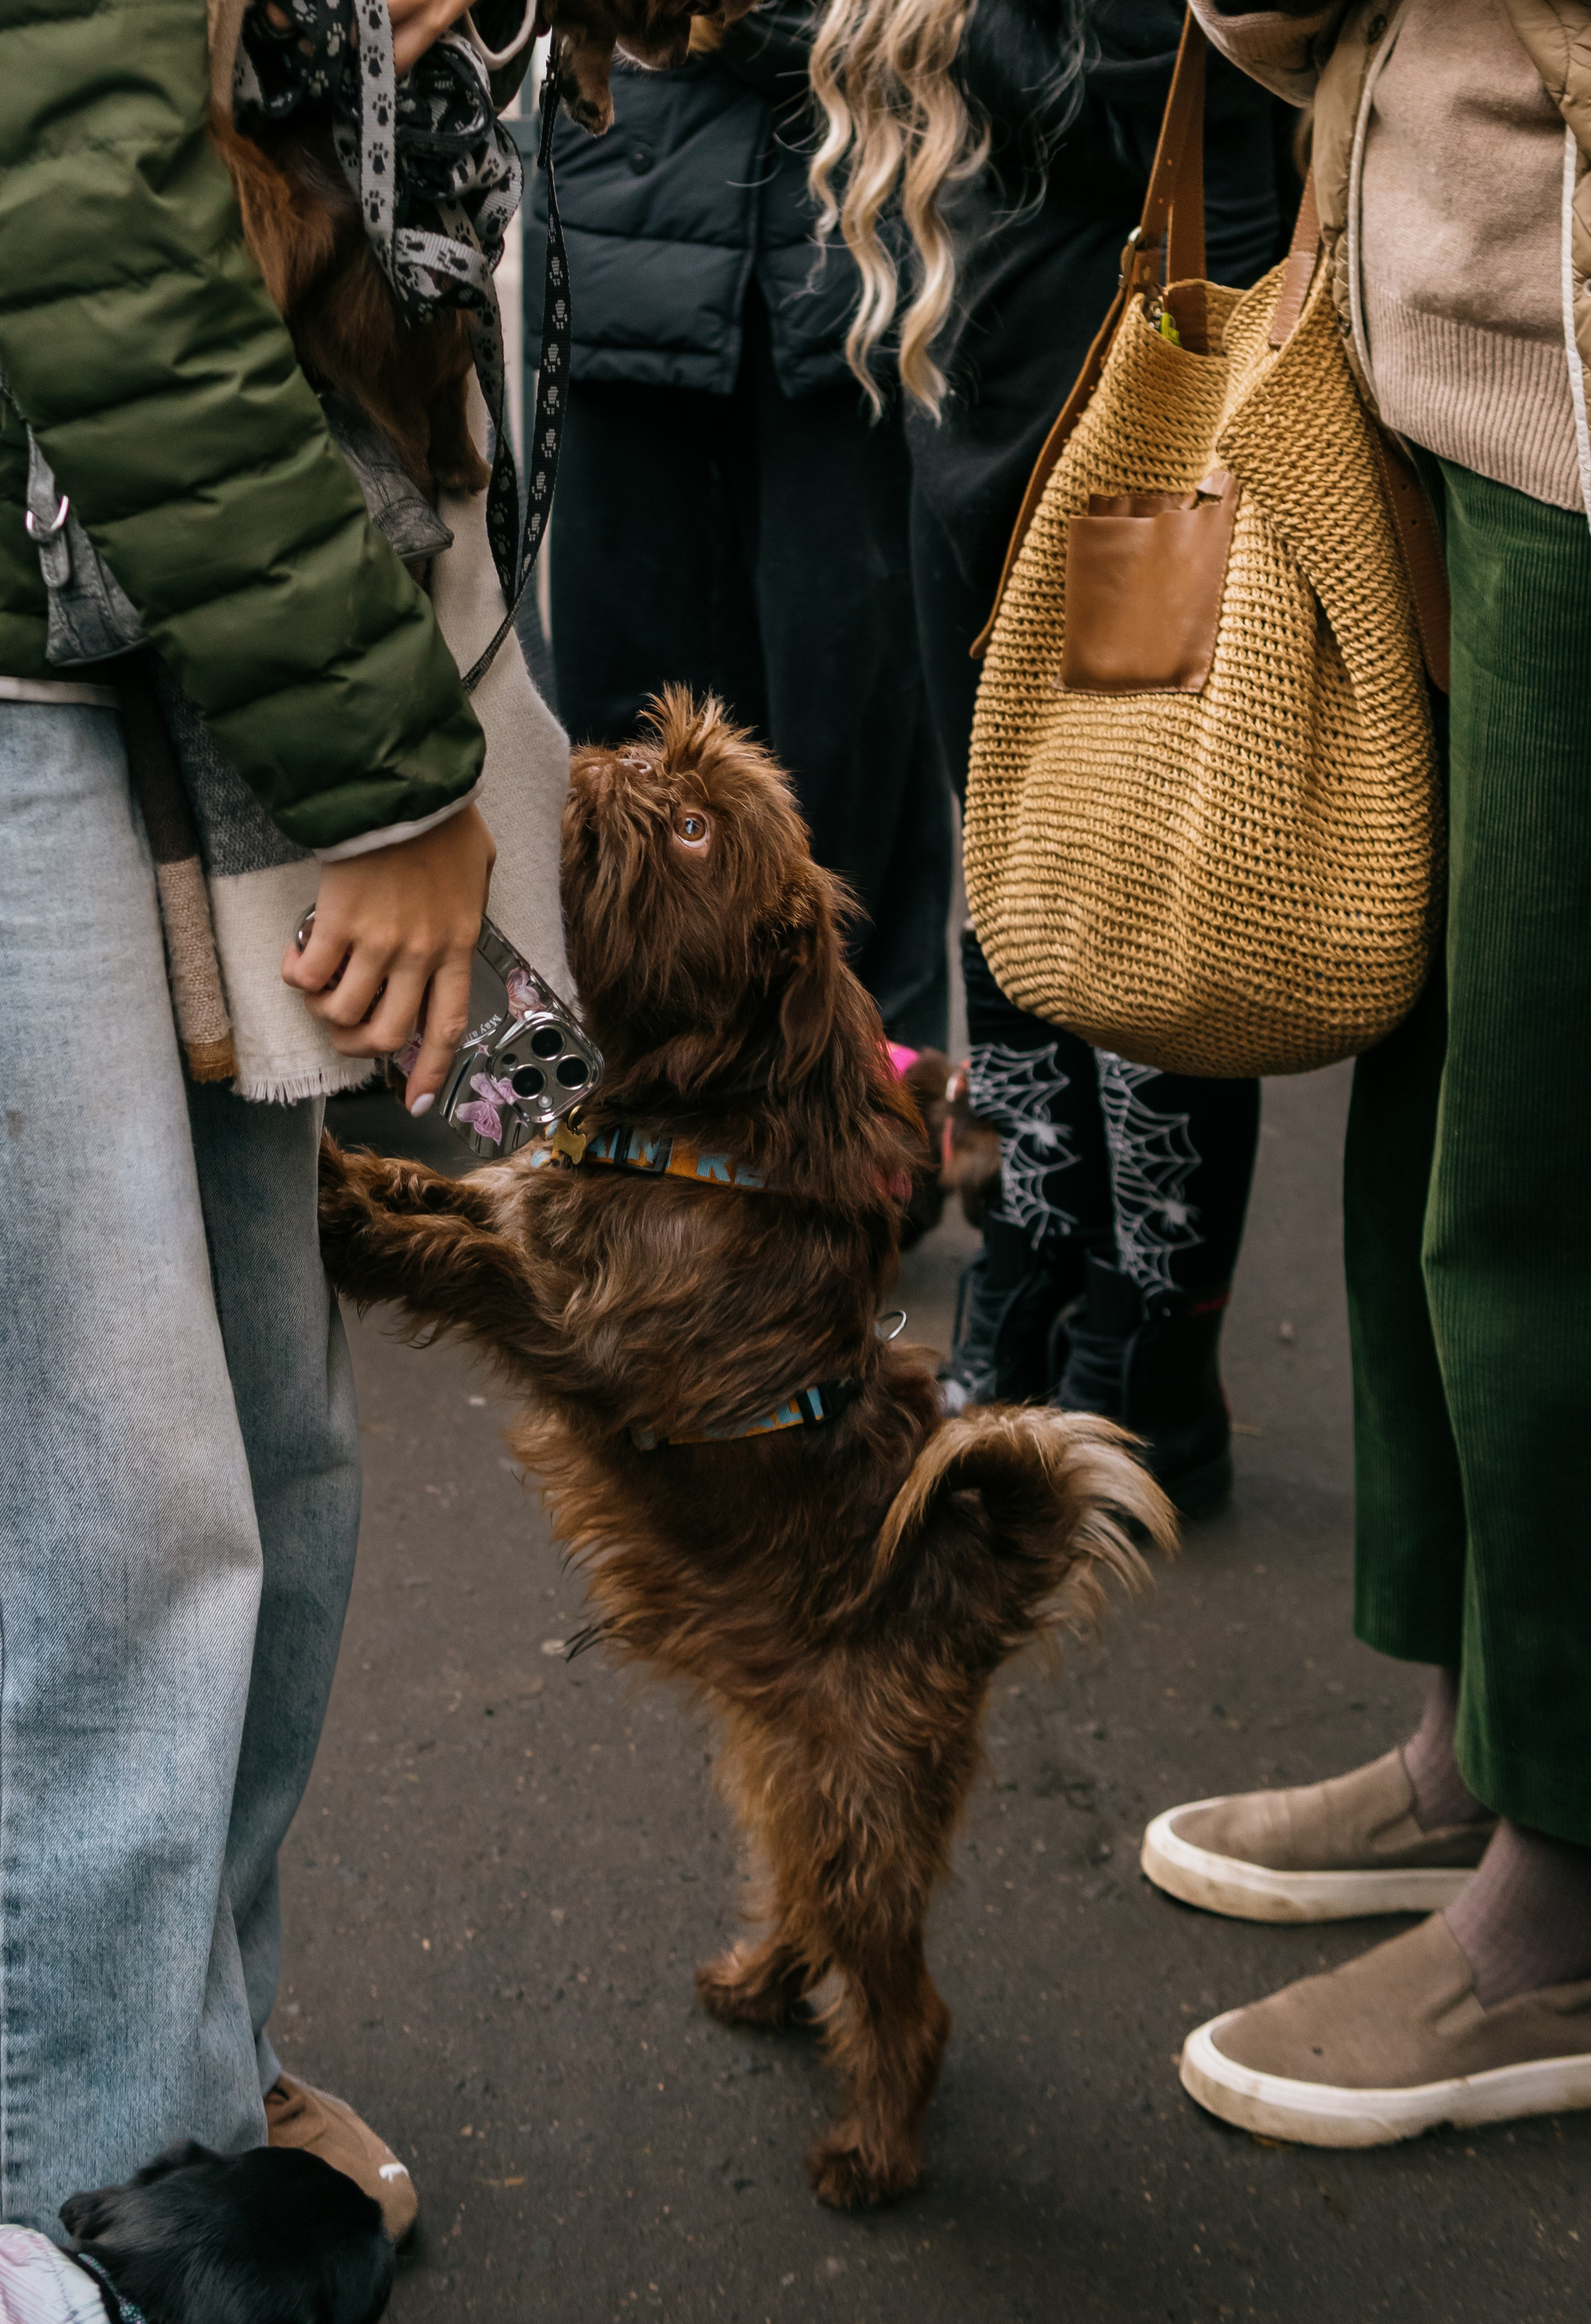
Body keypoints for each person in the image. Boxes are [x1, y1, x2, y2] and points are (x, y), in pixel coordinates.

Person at [0, 0, 521, 2243]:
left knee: (260, 1463)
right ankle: (98, 2224)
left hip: (148, 617)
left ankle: (166, 2071)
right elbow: (90, 211)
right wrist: (392, 768)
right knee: (91, 1530)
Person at [1132, 0, 1591, 2144]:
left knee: (1547, 1170)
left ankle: (1566, 1896)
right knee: (1427, 1096)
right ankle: (1477, 1740)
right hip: (1443, 379)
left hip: (1570, 427)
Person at [810, 0, 1293, 1511]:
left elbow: (1165, 87)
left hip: (1151, 420)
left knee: (1143, 888)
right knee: (1012, 882)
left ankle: (1143, 1351)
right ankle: (1026, 1277)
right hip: (985, 401)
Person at [534, 0, 956, 1051]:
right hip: (626, 230)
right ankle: (640, 1082)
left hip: (852, 240)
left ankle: (871, 1099)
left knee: (853, 719)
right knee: (629, 728)